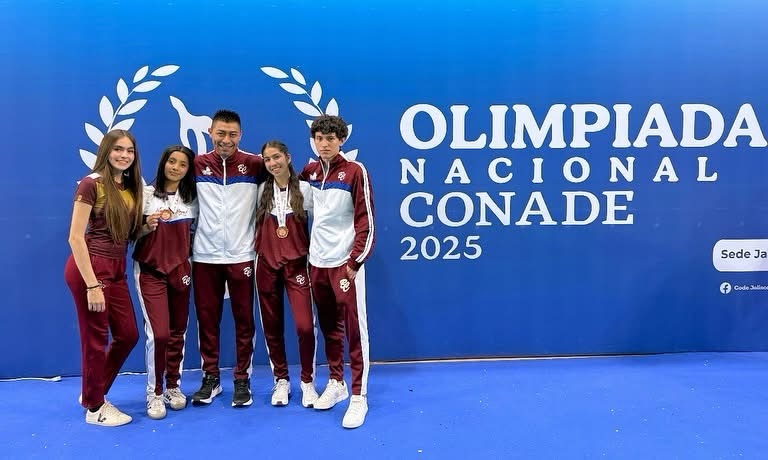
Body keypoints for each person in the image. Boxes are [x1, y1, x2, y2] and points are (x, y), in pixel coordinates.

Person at [300, 115, 376, 428]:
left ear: (341, 140)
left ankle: (358, 396)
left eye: (330, 138)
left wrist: (355, 261)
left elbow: (366, 220)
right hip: (317, 263)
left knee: (355, 330)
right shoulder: (310, 172)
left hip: (345, 265)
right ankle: (336, 382)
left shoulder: (355, 171)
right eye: (319, 138)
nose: (324, 144)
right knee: (329, 327)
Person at [64, 129, 143, 427]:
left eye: (130, 151)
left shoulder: (131, 187)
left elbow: (125, 233)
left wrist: (147, 224)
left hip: (116, 268)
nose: (124, 155)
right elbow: (75, 237)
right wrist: (92, 285)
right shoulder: (91, 185)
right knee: (95, 339)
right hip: (90, 268)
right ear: (106, 151)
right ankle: (95, 408)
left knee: (128, 335)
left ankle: (91, 392)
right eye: (118, 149)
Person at [191, 109, 265, 407]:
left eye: (232, 134)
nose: (226, 139)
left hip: (242, 255)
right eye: (220, 133)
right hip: (204, 256)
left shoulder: (255, 164)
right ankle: (210, 378)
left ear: (241, 135)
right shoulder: (196, 165)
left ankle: (242, 379)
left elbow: (284, 188)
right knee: (207, 320)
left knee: (244, 320)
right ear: (210, 132)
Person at [133, 145, 198, 419]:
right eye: (172, 161)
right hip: (151, 270)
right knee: (158, 334)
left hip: (180, 270)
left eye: (182, 164)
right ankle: (155, 393)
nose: (176, 167)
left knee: (177, 332)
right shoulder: (145, 195)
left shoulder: (192, 199)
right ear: (163, 163)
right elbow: (130, 233)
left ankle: (173, 386)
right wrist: (145, 225)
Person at [254, 141, 318, 408]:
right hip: (267, 265)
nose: (272, 163)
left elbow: (321, 225)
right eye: (267, 159)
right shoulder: (261, 191)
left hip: (297, 265)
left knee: (304, 326)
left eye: (276, 157)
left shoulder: (305, 189)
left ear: (288, 157)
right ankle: (281, 380)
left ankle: (307, 382)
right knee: (272, 326)